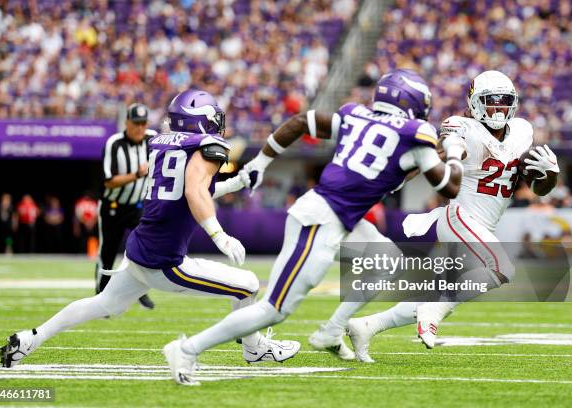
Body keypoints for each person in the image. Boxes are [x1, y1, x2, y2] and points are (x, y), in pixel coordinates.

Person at [174, 69, 466, 385]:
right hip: (320, 219)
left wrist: (260, 162)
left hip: (334, 217)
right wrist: (453, 151)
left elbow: (302, 122)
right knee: (274, 309)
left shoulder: (356, 116)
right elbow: (450, 187)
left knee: (387, 261)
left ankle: (332, 330)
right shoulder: (416, 132)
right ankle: (187, 349)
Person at [0, 89, 299, 385]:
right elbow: (194, 190)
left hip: (139, 250)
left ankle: (32, 338)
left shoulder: (161, 143)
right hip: (165, 262)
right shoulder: (206, 145)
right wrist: (218, 234)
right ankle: (254, 349)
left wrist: (234, 183)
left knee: (104, 303)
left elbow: (185, 191)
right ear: (200, 120)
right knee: (246, 286)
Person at [345, 70, 560, 362]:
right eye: (490, 102)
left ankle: (367, 326)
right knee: (501, 268)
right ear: (474, 103)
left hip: (482, 226)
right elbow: (445, 144)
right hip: (458, 216)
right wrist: (451, 150)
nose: (498, 109)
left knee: (452, 290)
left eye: (503, 102)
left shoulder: (522, 131)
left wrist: (550, 174)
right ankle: (433, 310)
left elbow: (539, 189)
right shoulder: (462, 126)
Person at [95, 103, 157, 310]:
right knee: (108, 253)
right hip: (112, 206)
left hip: (136, 207)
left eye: (143, 123)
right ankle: (100, 296)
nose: (139, 128)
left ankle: (141, 292)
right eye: (135, 123)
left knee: (145, 249)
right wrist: (137, 175)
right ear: (127, 123)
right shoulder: (114, 143)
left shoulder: (153, 139)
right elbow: (108, 181)